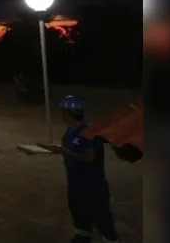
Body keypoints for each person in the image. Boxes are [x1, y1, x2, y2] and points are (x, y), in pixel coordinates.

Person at [41, 95, 120, 243]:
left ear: (68, 113)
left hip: (92, 187)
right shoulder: (71, 131)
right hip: (76, 185)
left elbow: (89, 157)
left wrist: (63, 151)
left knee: (103, 222)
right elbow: (71, 148)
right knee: (80, 221)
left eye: (63, 111)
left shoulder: (90, 132)